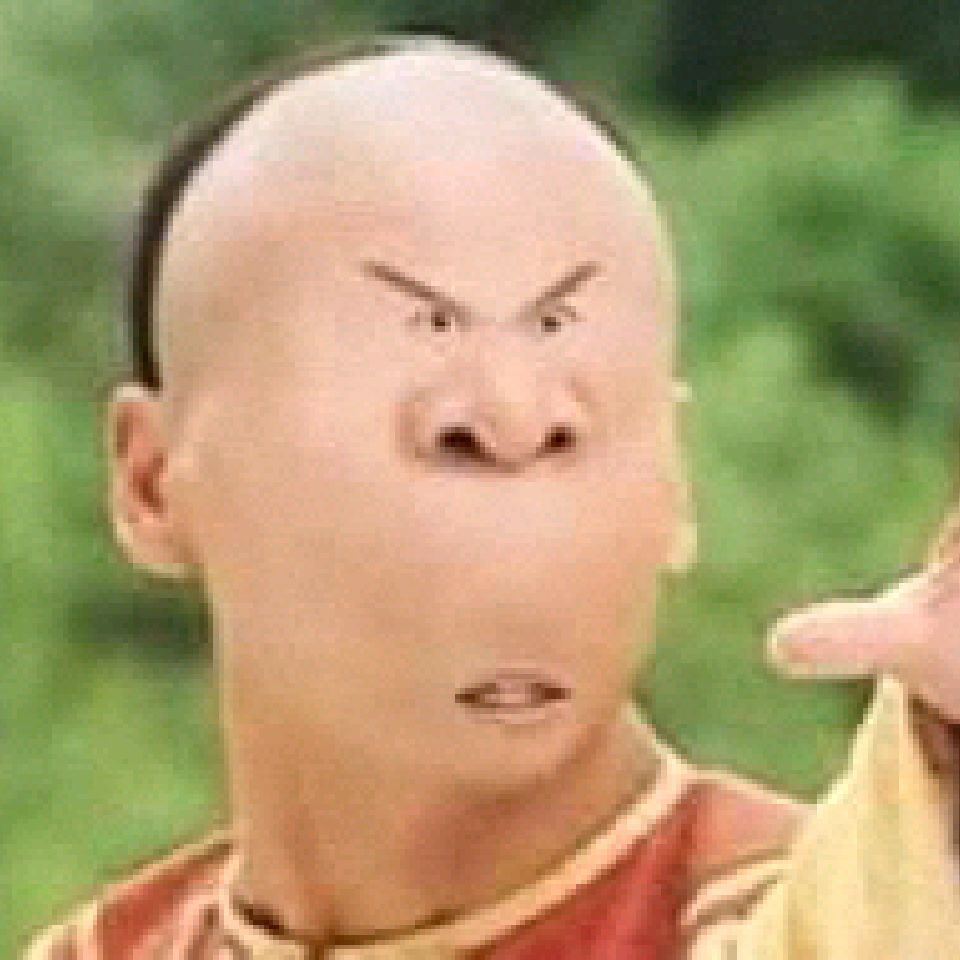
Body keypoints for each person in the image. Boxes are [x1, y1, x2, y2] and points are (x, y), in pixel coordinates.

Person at [24, 34, 960, 959]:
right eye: (443, 426)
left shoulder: (801, 918)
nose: (513, 416)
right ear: (153, 484)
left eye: (570, 425)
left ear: (671, 480)